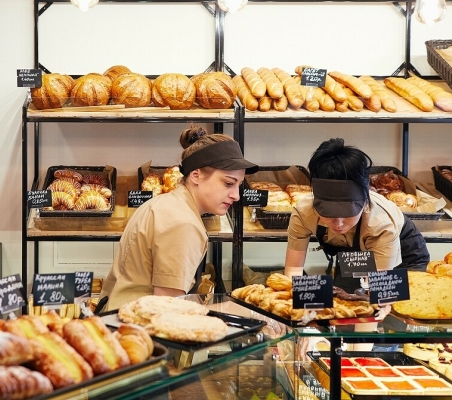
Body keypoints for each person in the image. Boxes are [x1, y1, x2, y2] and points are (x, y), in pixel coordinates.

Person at [97, 126, 258, 311]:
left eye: (238, 185)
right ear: (196, 175)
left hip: (120, 318)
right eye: (228, 183)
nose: (236, 196)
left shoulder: (164, 203)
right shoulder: (182, 224)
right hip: (138, 329)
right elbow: (168, 311)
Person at [284, 138, 429, 293]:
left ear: (364, 202)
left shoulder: (381, 223)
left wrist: (376, 304)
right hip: (354, 257)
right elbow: (293, 271)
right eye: (328, 214)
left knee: (389, 307)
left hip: (404, 256)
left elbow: (379, 288)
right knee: (343, 298)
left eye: (347, 213)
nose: (338, 224)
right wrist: (293, 301)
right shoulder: (303, 213)